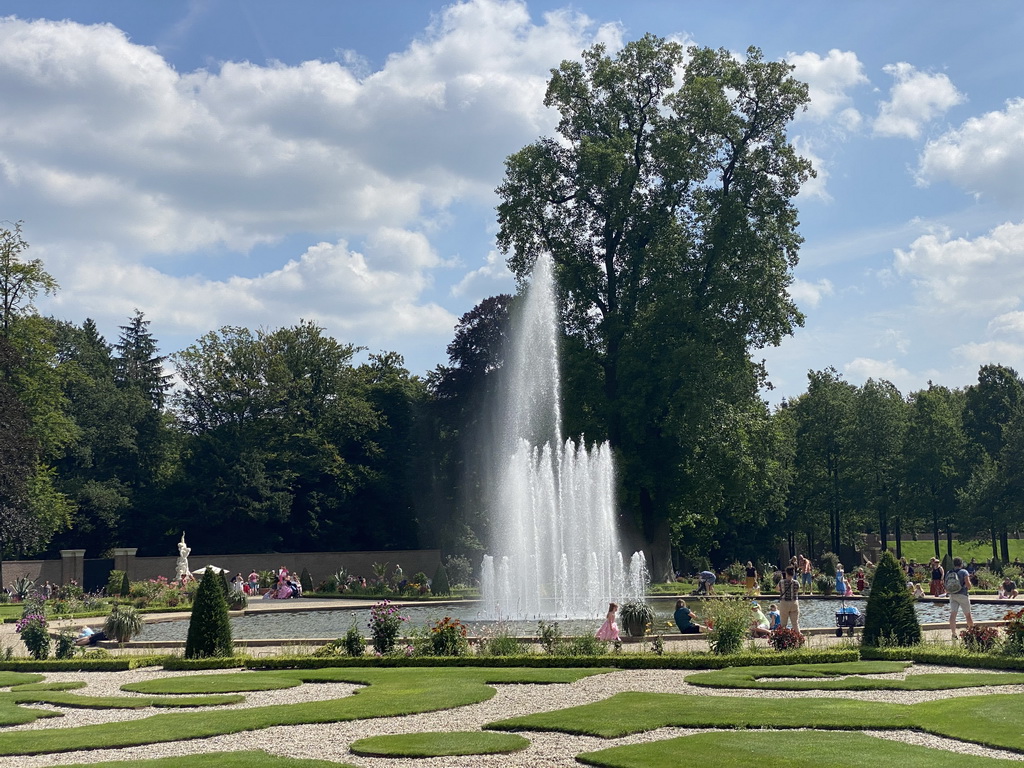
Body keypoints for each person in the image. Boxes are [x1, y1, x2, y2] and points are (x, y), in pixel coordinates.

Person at [947, 556, 974, 639]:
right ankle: (972, 632)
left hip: (952, 595)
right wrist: (969, 587)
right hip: (962, 594)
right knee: (967, 615)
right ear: (961, 564)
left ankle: (953, 633)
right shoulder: (964, 572)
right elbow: (968, 585)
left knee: (953, 614)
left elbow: (946, 585)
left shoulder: (949, 572)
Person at [778, 565, 800, 632]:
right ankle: (799, 638)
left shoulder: (781, 582)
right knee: (795, 623)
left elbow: (777, 589)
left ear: (786, 573)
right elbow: (797, 590)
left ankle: (782, 639)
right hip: (794, 603)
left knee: (783, 623)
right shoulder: (796, 583)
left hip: (784, 603)